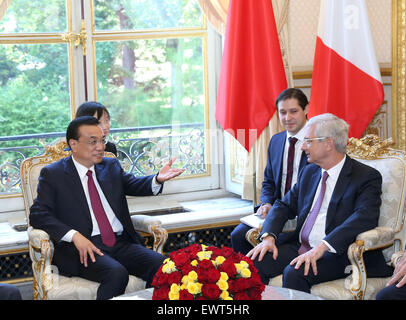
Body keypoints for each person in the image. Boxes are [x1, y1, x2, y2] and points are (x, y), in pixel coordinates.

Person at [29, 116, 185, 300]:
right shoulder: (54, 174)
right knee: (116, 274)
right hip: (83, 248)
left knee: (164, 266)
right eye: (92, 142)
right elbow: (38, 214)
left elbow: (133, 184)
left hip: (120, 242)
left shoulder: (109, 165)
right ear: (74, 144)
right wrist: (74, 236)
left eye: (102, 140)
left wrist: (157, 178)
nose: (100, 147)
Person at [247, 113, 392, 293]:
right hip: (301, 245)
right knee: (254, 263)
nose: (303, 147)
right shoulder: (310, 172)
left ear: (328, 143)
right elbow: (283, 206)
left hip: (338, 253)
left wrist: (324, 245)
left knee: (295, 272)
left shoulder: (365, 176)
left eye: (308, 141)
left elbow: (365, 217)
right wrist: (268, 237)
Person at [231, 88, 309, 255]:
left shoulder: (316, 141)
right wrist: (266, 203)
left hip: (303, 213)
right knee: (237, 236)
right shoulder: (276, 141)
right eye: (283, 112)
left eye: (293, 111)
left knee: (266, 254)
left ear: (306, 109)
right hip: (276, 211)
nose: (287, 118)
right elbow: (269, 182)